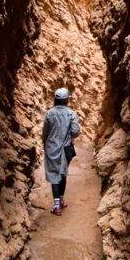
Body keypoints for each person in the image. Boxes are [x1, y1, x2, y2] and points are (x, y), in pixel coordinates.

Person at [42, 87, 79, 215]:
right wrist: (68, 136)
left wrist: (45, 144)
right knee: (62, 174)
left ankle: (57, 206)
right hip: (66, 149)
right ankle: (61, 200)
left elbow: (45, 132)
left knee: (54, 176)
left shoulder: (49, 113)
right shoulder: (71, 113)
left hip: (51, 148)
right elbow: (75, 131)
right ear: (66, 100)